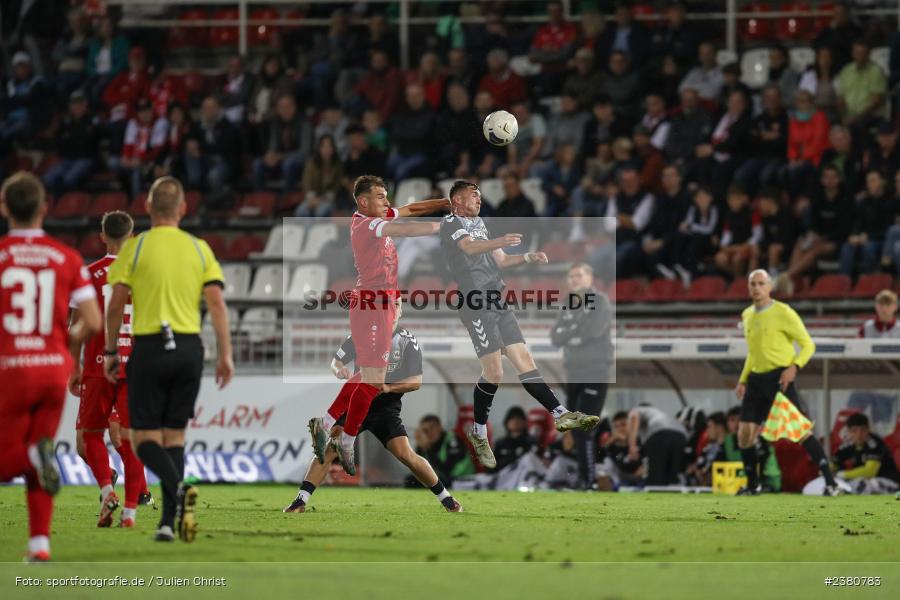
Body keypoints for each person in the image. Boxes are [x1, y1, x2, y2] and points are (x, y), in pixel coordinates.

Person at [104, 176, 235, 542]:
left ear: (147, 208)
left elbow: (115, 304)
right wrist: (225, 353)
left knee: (142, 438)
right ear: (183, 208)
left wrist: (111, 350)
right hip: (189, 348)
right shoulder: (199, 248)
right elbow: (217, 303)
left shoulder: (136, 247)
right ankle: (167, 523)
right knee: (175, 439)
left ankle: (178, 490)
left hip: (148, 347)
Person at [438, 180, 599, 470]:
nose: (479, 199)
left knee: (524, 359)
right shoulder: (451, 222)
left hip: (497, 297)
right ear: (457, 199)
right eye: (473, 195)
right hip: (475, 302)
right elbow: (470, 248)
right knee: (495, 372)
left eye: (479, 195)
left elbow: (499, 260)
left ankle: (560, 413)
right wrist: (499, 241)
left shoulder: (481, 223)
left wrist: (527, 257)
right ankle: (478, 431)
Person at [308, 176, 450, 476]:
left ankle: (335, 430)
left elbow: (410, 211)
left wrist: (445, 204)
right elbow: (404, 228)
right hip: (373, 305)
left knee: (370, 377)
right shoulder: (367, 224)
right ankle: (336, 431)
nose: (387, 201)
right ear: (363, 201)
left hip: (378, 304)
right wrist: (445, 226)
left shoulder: (378, 217)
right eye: (382, 196)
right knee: (372, 378)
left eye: (387, 196)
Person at [0, 172, 102, 561]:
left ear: (4, 206)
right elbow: (91, 321)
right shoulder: (67, 257)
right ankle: (39, 545)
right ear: (44, 208)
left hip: (12, 368)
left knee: (16, 457)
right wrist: (67, 343)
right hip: (53, 368)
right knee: (39, 450)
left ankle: (33, 460)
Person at [284, 301, 462, 513]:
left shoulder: (407, 342)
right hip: (358, 403)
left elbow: (416, 381)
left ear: (401, 311)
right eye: (388, 306)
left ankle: (447, 499)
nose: (393, 311)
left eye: (397, 306)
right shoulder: (363, 335)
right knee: (329, 449)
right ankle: (300, 501)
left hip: (386, 410)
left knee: (405, 454)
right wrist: (338, 369)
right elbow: (336, 361)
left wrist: (387, 388)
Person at [68, 211, 149, 528]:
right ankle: (129, 513)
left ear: (102, 236)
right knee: (132, 440)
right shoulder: (143, 274)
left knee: (90, 436)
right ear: (131, 236)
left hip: (98, 364)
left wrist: (74, 365)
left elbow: (77, 325)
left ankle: (106, 490)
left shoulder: (88, 273)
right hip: (136, 366)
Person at [734, 269, 839, 496]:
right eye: (753, 283)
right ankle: (753, 486)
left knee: (801, 431)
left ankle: (831, 484)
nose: (756, 288)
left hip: (779, 379)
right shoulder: (747, 315)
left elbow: (808, 345)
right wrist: (743, 379)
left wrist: (795, 366)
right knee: (744, 434)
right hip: (756, 380)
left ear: (770, 287)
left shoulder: (784, 312)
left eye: (761, 283)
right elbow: (753, 353)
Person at [550, 263, 613, 489]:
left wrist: (571, 336)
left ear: (590, 278)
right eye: (571, 276)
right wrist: (574, 335)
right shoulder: (568, 304)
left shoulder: (600, 301)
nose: (574, 279)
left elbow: (593, 331)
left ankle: (588, 481)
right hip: (573, 372)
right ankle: (585, 479)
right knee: (574, 427)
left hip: (595, 371)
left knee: (584, 427)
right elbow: (555, 337)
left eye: (579, 275)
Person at [41, 90, 98, 197]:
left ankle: (72, 202)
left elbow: (93, 141)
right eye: (74, 103)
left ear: (85, 104)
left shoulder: (93, 120)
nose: (77, 106)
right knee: (48, 178)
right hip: (67, 159)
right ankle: (56, 204)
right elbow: (57, 140)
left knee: (69, 178)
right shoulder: (65, 121)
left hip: (86, 158)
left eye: (80, 103)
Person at [253, 95, 312, 192]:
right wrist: (270, 155)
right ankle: (261, 198)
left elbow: (304, 152)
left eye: (288, 107)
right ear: (278, 110)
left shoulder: (304, 123)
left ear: (294, 107)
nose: (285, 110)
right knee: (257, 163)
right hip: (280, 159)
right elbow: (273, 144)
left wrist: (280, 157)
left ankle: (288, 198)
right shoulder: (276, 123)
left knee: (288, 164)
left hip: (299, 159)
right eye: (281, 108)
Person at [839, 170, 892, 278]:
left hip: (881, 240)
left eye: (873, 181)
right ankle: (843, 282)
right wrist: (853, 235)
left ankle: (869, 280)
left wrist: (868, 236)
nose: (870, 185)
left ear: (882, 182)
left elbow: (889, 230)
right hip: (863, 238)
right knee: (847, 247)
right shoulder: (864, 202)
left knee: (869, 247)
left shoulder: (890, 202)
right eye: (868, 182)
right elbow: (858, 222)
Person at [832, 413, 899, 493]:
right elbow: (833, 463)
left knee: (863, 484)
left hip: (889, 484)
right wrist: (827, 471)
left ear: (868, 429)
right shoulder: (848, 445)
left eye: (863, 430)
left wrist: (842, 474)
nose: (859, 434)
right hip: (868, 482)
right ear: (849, 432)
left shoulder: (875, 444)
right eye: (854, 431)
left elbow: (870, 471)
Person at [626, 405, 687, 486]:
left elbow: (634, 417)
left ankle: (653, 495)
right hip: (681, 435)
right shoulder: (658, 414)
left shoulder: (636, 410)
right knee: (672, 475)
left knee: (656, 475)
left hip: (660, 432)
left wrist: (631, 446)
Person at [413, 415, 475, 487]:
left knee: (438, 482)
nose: (429, 433)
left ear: (440, 428)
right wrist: (422, 447)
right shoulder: (425, 443)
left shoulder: (451, 439)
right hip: (442, 479)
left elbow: (446, 470)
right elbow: (418, 470)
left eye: (432, 428)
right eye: (425, 431)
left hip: (461, 479)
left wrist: (427, 448)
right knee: (412, 481)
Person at [493, 407, 536, 472]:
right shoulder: (499, 443)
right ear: (506, 422)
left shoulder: (531, 442)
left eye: (519, 418)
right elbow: (492, 467)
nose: (515, 421)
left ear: (525, 422)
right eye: (511, 418)